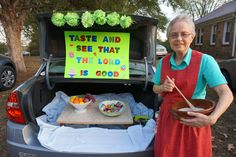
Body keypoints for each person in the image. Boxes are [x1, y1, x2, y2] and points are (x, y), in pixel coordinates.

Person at [152, 14, 233, 157]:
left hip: (193, 121)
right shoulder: (163, 62)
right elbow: (155, 88)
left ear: (192, 36)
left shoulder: (205, 61)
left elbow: (226, 93)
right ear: (169, 38)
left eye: (184, 34)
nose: (178, 39)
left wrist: (212, 118)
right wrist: (162, 87)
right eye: (173, 35)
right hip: (168, 120)